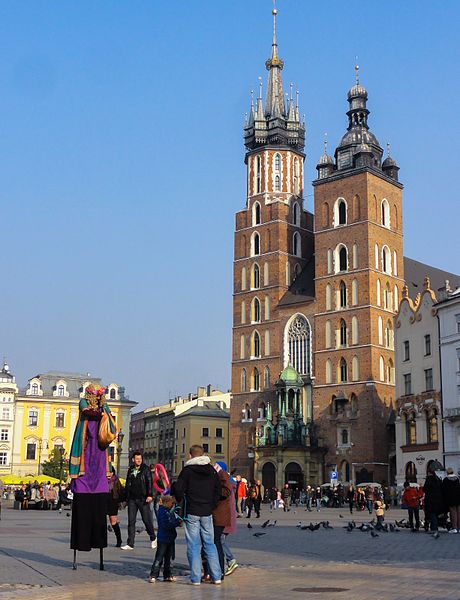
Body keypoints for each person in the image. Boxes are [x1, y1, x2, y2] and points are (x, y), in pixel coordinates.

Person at [173, 444, 222, 585]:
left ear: (190, 455)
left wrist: (179, 495)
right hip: (207, 512)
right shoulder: (211, 470)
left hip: (192, 511)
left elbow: (179, 490)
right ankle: (217, 576)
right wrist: (212, 505)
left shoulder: (187, 471)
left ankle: (195, 578)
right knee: (210, 544)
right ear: (203, 454)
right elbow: (218, 490)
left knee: (193, 545)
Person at [202, 461, 232, 582]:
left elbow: (225, 492)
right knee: (211, 543)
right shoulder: (216, 478)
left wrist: (212, 491)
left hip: (218, 517)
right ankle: (210, 571)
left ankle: (217, 572)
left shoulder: (222, 479)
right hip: (214, 515)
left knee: (215, 543)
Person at [122, 452, 157, 550]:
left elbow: (149, 482)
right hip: (132, 499)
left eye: (140, 459)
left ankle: (153, 538)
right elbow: (127, 484)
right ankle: (130, 543)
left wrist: (150, 495)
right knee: (131, 521)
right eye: (137, 459)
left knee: (146, 520)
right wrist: (125, 499)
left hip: (143, 499)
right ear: (133, 459)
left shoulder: (146, 469)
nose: (139, 460)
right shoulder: (131, 469)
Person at [149, 495, 180, 583]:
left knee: (169, 558)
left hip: (170, 538)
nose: (173, 505)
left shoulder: (168, 511)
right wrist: (176, 523)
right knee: (159, 557)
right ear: (166, 503)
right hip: (163, 538)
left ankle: (167, 575)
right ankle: (153, 575)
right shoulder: (163, 511)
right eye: (172, 503)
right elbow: (166, 524)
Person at [423, 468, 444, 533]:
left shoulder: (429, 479)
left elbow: (425, 489)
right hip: (438, 500)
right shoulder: (438, 479)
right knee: (435, 514)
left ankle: (434, 528)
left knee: (432, 514)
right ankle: (433, 527)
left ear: (429, 473)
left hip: (430, 500)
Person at [107, 469, 124, 547]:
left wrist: (122, 502)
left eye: (111, 472)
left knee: (113, 521)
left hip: (113, 501)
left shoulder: (116, 480)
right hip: (103, 501)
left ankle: (119, 540)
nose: (109, 474)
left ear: (113, 473)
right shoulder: (101, 479)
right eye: (108, 472)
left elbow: (121, 490)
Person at [441, 467, 460, 533]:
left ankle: (454, 528)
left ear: (447, 472)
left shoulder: (446, 480)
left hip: (451, 499)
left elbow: (444, 490)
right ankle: (459, 528)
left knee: (453, 513)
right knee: (458, 513)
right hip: (458, 498)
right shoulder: (457, 479)